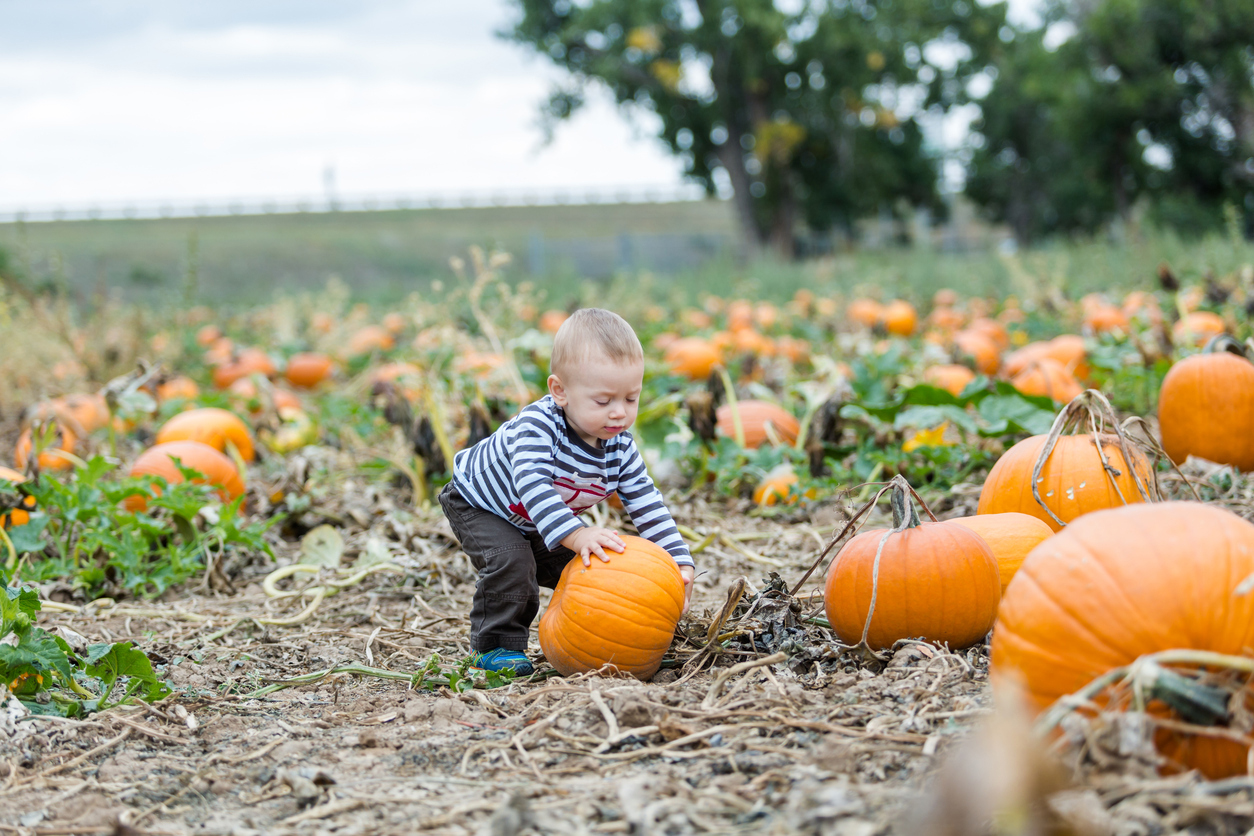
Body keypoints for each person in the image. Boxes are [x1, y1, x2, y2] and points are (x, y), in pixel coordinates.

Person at [439, 308, 695, 675]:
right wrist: (575, 533)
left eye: (631, 398)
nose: (619, 414)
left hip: (537, 517)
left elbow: (645, 501)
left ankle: (603, 643)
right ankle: (494, 648)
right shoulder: (539, 427)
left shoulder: (619, 445)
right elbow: (533, 485)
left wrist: (679, 561)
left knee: (591, 568)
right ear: (560, 391)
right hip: (481, 503)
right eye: (604, 401)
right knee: (513, 562)